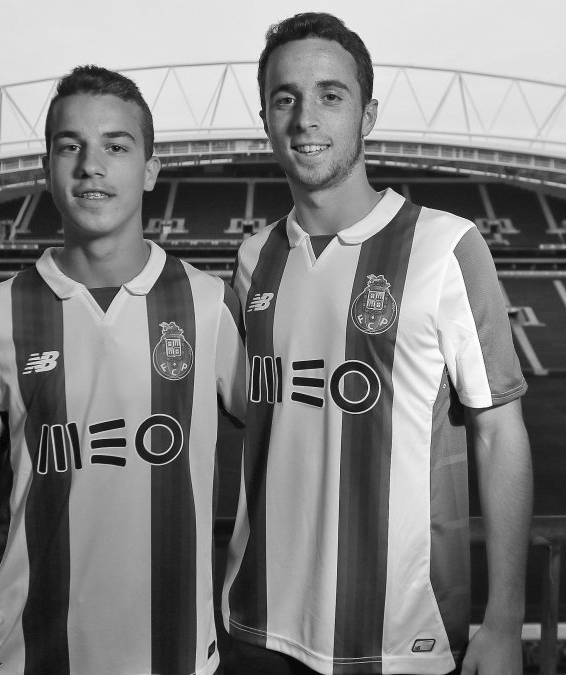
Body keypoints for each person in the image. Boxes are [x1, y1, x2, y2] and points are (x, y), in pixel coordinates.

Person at [221, 13, 533, 675]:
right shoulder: (253, 258)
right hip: (257, 624)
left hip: (401, 639)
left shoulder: (446, 246)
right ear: (265, 117)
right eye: (285, 98)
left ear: (367, 115)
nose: (306, 118)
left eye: (331, 95)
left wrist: (505, 619)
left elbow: (499, 434)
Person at [0, 64, 245, 675]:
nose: (91, 165)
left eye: (116, 146)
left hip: (176, 651)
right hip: (29, 653)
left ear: (150, 171)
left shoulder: (209, 305)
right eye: (71, 146)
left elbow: (280, 437)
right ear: (47, 168)